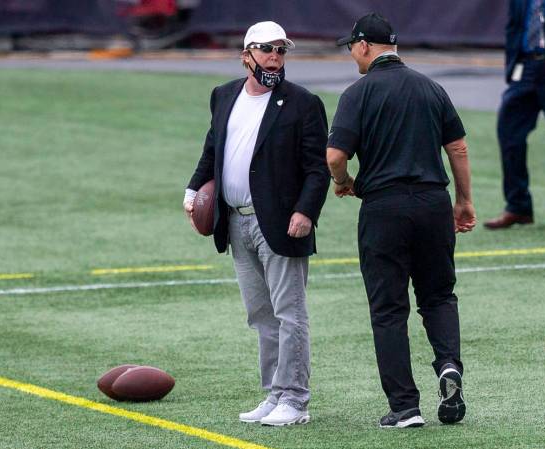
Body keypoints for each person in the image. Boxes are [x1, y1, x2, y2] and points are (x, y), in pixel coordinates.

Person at [327, 13, 477, 428]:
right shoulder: (432, 88)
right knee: (439, 296)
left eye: (352, 48)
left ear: (363, 46)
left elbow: (335, 156)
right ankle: (449, 366)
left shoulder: (358, 93)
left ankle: (405, 407)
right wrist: (463, 201)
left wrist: (344, 182)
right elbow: (459, 148)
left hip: (384, 208)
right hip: (432, 203)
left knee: (389, 309)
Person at [183, 21, 329, 426]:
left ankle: (296, 400)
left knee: (290, 313)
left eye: (282, 51)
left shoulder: (302, 102)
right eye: (268, 50)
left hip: (281, 224)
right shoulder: (224, 95)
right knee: (260, 315)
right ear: (246, 54)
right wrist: (194, 188)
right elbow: (213, 147)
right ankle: (275, 393)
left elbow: (317, 169)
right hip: (235, 221)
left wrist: (305, 212)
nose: (275, 58)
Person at [485, 0, 545, 229]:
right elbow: (513, 26)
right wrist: (511, 67)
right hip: (525, 67)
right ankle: (518, 206)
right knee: (509, 132)